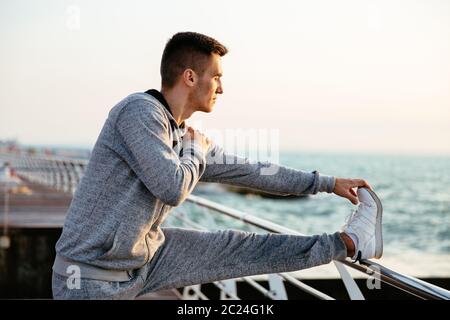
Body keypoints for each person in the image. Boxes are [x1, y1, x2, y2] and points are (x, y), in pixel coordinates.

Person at [52, 32, 383, 300]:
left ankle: (349, 242)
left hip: (143, 261)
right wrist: (195, 151)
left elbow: (255, 171)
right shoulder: (138, 112)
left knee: (241, 247)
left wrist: (325, 183)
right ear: (191, 77)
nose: (222, 88)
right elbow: (171, 187)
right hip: (88, 280)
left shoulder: (183, 136)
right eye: (217, 77)